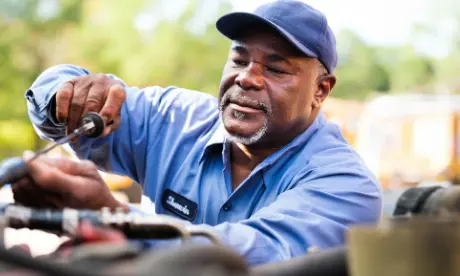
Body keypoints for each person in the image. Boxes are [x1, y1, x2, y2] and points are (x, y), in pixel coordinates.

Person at [13, 0, 382, 265]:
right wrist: (67, 96)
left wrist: (109, 214)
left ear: (320, 90)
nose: (247, 78)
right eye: (239, 59)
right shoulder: (175, 119)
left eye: (276, 70)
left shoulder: (346, 184)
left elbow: (253, 254)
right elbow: (54, 106)